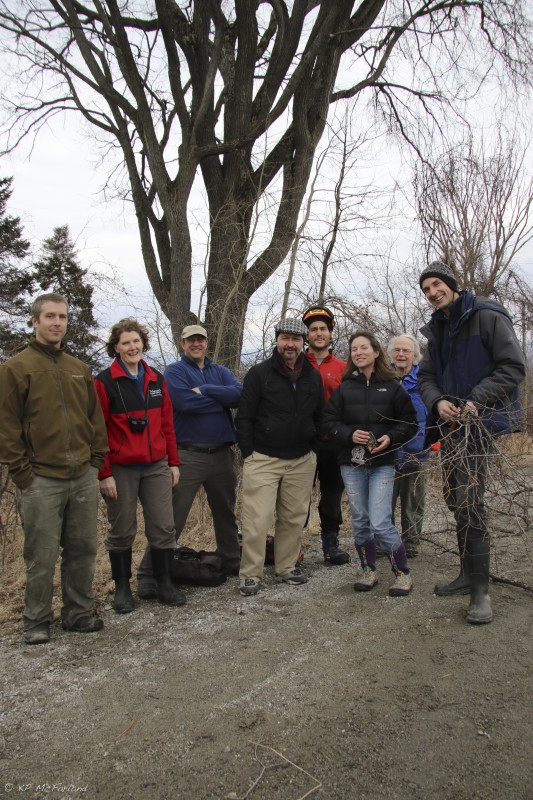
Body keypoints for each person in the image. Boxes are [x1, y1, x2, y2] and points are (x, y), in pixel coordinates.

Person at [418, 261, 525, 624]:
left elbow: (513, 366)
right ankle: (466, 573)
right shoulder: (436, 330)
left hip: (481, 422)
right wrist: (437, 402)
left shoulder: (488, 315)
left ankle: (481, 591)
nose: (432, 293)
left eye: (436, 285)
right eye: (426, 290)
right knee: (453, 494)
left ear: (451, 284)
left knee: (469, 497)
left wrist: (477, 398)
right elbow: (426, 377)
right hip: (450, 426)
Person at [0, 293, 108, 644]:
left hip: (81, 476)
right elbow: (7, 426)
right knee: (41, 554)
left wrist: (96, 462)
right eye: (49, 316)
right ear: (35, 321)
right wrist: (22, 474)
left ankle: (77, 613)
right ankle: (36, 621)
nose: (57, 322)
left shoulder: (78, 369)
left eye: (62, 316)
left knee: (82, 549)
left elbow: (95, 419)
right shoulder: (16, 368)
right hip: (41, 479)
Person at [136, 324, 242, 595]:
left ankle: (231, 561)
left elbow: (240, 396)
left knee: (226, 513)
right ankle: (148, 575)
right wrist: (220, 398)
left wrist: (205, 389)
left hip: (221, 455)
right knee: (172, 517)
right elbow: (184, 403)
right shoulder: (175, 371)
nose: (196, 344)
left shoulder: (220, 371)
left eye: (200, 340)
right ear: (182, 344)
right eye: (190, 340)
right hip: (188, 455)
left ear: (207, 343)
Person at [94, 318, 185, 612]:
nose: (132, 347)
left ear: (143, 344)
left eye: (136, 342)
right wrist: (104, 472)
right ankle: (122, 588)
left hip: (157, 464)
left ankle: (164, 582)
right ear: (116, 348)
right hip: (121, 468)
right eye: (125, 343)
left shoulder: (156, 379)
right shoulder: (104, 382)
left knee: (163, 526)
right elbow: (98, 431)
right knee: (122, 528)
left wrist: (173, 462)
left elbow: (168, 425)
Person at [324, 330, 417, 596]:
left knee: (379, 522)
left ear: (376, 352)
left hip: (382, 464)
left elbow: (409, 423)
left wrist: (391, 437)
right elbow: (329, 423)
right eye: (354, 349)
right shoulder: (344, 389)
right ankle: (369, 571)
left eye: (364, 347)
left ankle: (402, 574)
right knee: (361, 520)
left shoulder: (393, 387)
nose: (359, 352)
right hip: (351, 464)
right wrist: (348, 434)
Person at [236, 319, 323, 597]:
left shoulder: (312, 375)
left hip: (301, 458)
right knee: (257, 519)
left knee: (294, 517)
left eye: (296, 339)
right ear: (277, 340)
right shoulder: (259, 374)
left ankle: (286, 567)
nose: (290, 344)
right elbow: (245, 417)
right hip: (263, 458)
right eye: (286, 338)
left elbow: (319, 415)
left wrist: (314, 449)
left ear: (303, 342)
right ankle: (251, 574)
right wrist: (248, 453)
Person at [302, 305, 350, 565]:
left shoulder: (344, 367)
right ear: (306, 335)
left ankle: (330, 545)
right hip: (302, 444)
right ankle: (292, 549)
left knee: (331, 496)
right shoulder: (295, 365)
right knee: (297, 499)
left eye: (323, 329)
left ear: (331, 332)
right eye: (313, 330)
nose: (318, 333)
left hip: (334, 444)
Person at [387, 334, 430, 558]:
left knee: (413, 499)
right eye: (397, 350)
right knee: (385, 499)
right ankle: (386, 540)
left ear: (415, 355)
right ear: (391, 354)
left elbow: (435, 414)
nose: (401, 354)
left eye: (406, 351)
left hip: (418, 451)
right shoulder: (383, 380)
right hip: (388, 451)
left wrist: (434, 441)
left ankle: (411, 542)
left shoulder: (425, 380)